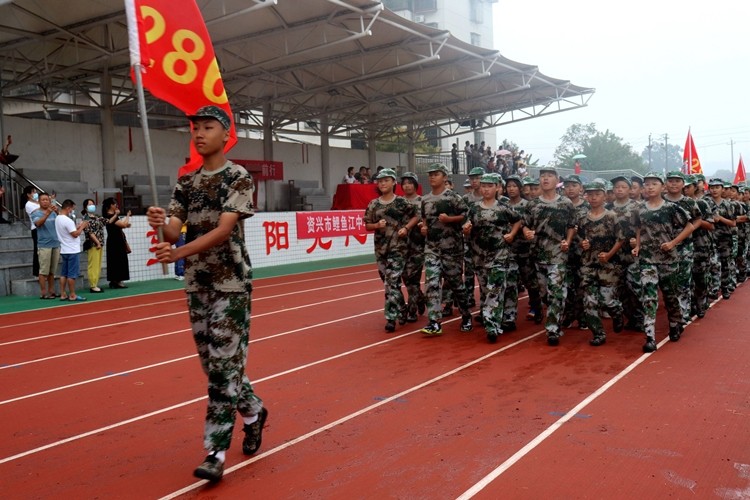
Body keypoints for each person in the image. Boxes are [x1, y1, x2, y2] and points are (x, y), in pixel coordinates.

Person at [146, 105, 266, 482]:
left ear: (225, 134)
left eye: (207, 127)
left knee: (221, 371)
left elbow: (226, 228)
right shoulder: (187, 181)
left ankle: (215, 452)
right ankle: (253, 411)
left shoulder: (238, 176)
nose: (198, 133)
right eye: (195, 128)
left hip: (230, 281)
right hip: (198, 283)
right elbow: (172, 230)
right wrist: (161, 224)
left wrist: (178, 250)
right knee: (214, 366)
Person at [632, 172, 692, 353]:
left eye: (654, 184)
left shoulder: (671, 208)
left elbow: (689, 226)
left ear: (662, 187)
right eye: (647, 184)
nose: (650, 187)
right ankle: (650, 337)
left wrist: (673, 243)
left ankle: (675, 323)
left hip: (668, 260)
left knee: (670, 295)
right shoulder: (640, 209)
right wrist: (637, 245)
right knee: (649, 297)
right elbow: (638, 228)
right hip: (647, 260)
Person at [463, 174, 522, 343]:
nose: (486, 189)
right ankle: (492, 319)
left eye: (489, 186)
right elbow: (467, 225)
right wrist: (466, 229)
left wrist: (511, 234)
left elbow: (517, 220)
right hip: (479, 256)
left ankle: (492, 326)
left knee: (495, 290)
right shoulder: (474, 208)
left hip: (499, 255)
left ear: (497, 188)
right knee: (485, 290)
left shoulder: (503, 208)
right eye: (483, 186)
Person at [522, 166, 575, 346]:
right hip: (538, 254)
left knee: (556, 292)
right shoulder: (533, 204)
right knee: (544, 293)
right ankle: (561, 311)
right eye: (543, 176)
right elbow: (525, 225)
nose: (545, 179)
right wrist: (527, 232)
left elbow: (571, 225)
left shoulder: (565, 203)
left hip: (558, 254)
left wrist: (567, 241)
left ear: (556, 180)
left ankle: (553, 329)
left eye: (549, 176)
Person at [419, 163, 472, 336]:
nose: (432, 177)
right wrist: (424, 227)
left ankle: (466, 315)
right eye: (430, 174)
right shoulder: (425, 199)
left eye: (436, 174)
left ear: (445, 177)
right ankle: (434, 322)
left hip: (452, 249)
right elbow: (425, 218)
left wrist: (450, 219)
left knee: (456, 285)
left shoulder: (453, 197)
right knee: (432, 283)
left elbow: (466, 215)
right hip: (432, 248)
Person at [363, 168, 417, 332]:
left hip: (398, 249)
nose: (382, 184)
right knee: (388, 283)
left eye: (386, 180)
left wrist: (406, 228)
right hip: (381, 249)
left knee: (391, 282)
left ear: (394, 182)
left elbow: (416, 215)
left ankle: (390, 318)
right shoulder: (374, 204)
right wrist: (376, 225)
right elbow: (367, 225)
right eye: (380, 181)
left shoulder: (402, 202)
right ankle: (402, 307)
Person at [577, 181, 625, 346]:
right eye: (590, 194)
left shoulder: (611, 216)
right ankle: (598, 334)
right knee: (589, 302)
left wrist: (610, 254)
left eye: (597, 194)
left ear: (604, 195)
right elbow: (579, 237)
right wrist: (582, 243)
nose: (593, 197)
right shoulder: (582, 217)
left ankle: (617, 312)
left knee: (607, 300)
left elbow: (621, 239)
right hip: (588, 264)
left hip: (608, 266)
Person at [400, 172, 426, 321]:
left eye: (410, 182)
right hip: (402, 247)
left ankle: (412, 310)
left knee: (413, 278)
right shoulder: (398, 202)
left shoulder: (422, 201)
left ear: (415, 185)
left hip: (418, 245)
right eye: (404, 183)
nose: (407, 185)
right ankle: (420, 298)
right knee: (406, 278)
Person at [54, 199, 88, 302]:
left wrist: (76, 227)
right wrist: (82, 227)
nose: (72, 211)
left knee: (64, 273)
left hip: (64, 249)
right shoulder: (67, 220)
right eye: (72, 209)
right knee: (71, 274)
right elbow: (75, 234)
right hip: (72, 250)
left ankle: (63, 293)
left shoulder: (58, 218)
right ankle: (72, 294)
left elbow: (69, 231)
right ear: (68, 208)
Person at [30, 192, 60, 299]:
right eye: (43, 200)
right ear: (39, 201)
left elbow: (62, 221)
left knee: (52, 271)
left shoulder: (53, 212)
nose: (45, 201)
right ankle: (43, 292)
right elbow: (38, 224)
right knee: (43, 271)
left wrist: (57, 212)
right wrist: (47, 213)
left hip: (55, 243)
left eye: (47, 200)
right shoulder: (35, 213)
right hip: (44, 245)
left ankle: (52, 291)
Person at [102, 198, 131, 289]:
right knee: (118, 260)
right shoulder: (111, 216)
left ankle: (114, 280)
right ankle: (117, 280)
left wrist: (126, 219)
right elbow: (123, 225)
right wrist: (127, 216)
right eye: (115, 204)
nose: (116, 205)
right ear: (111, 205)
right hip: (115, 241)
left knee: (115, 260)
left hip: (115, 240)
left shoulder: (111, 216)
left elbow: (123, 225)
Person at [81, 198, 105, 293]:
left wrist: (116, 214)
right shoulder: (86, 218)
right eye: (90, 204)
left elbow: (108, 221)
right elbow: (89, 232)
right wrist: (97, 242)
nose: (92, 206)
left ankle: (96, 284)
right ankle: (93, 285)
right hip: (93, 244)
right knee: (93, 265)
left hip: (100, 243)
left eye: (93, 204)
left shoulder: (97, 217)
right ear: (85, 207)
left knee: (98, 265)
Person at [24, 185, 40, 277]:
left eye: (35, 192)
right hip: (36, 229)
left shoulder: (38, 202)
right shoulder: (29, 205)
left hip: (42, 228)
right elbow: (40, 211)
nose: (35, 194)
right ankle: (36, 272)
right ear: (28, 194)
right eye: (33, 192)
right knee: (37, 250)